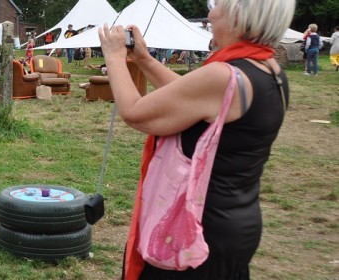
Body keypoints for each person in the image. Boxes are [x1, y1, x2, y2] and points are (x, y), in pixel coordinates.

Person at [98, 0, 292, 278]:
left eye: (217, 7)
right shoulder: (269, 71)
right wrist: (144, 59)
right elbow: (187, 95)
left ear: (238, 17)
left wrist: (114, 57)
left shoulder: (222, 76)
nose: (210, 15)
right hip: (236, 221)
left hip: (191, 231)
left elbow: (135, 114)